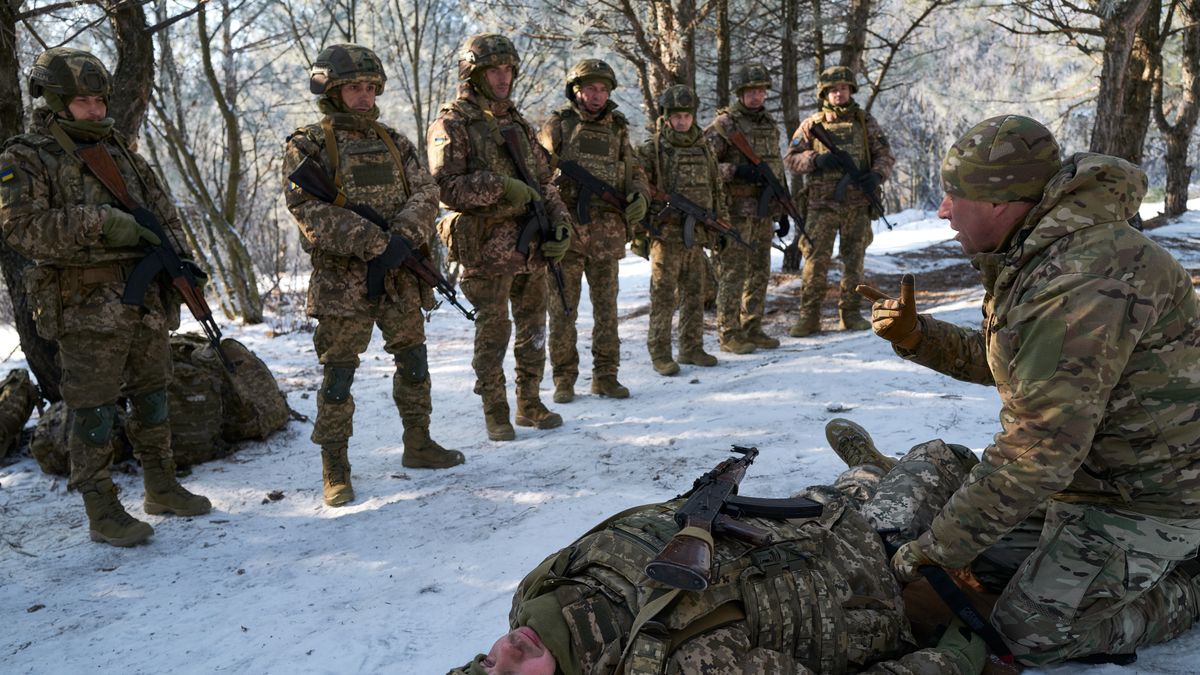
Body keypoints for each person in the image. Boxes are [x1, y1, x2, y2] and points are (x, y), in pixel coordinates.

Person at [858, 114, 1200, 666]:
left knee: (1027, 632)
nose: (943, 212)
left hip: (1151, 500)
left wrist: (937, 553)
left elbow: (1040, 450)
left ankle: (1187, 582)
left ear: (1000, 203)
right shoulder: (1041, 252)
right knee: (965, 550)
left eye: (953, 196)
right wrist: (920, 337)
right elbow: (1022, 367)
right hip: (1087, 482)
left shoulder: (1084, 280)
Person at [449, 420, 993, 675]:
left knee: (835, 492)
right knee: (943, 455)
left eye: (485, 664)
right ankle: (889, 473)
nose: (505, 653)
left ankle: (869, 468)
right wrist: (950, 661)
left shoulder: (542, 591)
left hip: (790, 521)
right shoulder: (689, 666)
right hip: (870, 567)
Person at [0, 47, 211, 546]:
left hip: (141, 299)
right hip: (83, 304)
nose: (96, 110)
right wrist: (104, 223)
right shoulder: (25, 157)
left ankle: (161, 484)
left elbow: (163, 217)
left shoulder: (120, 151)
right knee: (93, 406)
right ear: (54, 101)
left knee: (152, 392)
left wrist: (185, 268)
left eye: (99, 100)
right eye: (83, 102)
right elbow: (22, 231)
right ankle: (100, 507)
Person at [283, 44, 462, 507]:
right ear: (331, 90)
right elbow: (307, 209)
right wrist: (377, 242)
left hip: (401, 274)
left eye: (369, 88)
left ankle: (418, 442)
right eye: (352, 88)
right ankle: (335, 466)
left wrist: (402, 234)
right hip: (344, 282)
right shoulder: (309, 144)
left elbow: (426, 190)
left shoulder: (393, 141)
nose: (363, 97)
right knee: (339, 375)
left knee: (414, 361)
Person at [428, 34, 573, 441]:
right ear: (474, 74)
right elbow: (444, 187)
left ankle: (529, 401)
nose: (503, 77)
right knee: (493, 333)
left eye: (508, 69)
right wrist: (499, 187)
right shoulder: (452, 123)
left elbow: (545, 182)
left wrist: (561, 223)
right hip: (487, 249)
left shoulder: (517, 122)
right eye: (494, 69)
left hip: (532, 246)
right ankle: (495, 410)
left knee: (534, 328)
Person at [537, 59, 649, 403]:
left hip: (607, 234)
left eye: (603, 89)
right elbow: (537, 171)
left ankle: (606, 376)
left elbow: (634, 169)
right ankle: (564, 379)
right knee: (563, 311)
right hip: (567, 234)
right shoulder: (559, 125)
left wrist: (639, 195)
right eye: (591, 88)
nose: (597, 95)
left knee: (606, 310)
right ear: (577, 90)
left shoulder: (618, 128)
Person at [784, 66, 894, 337]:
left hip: (856, 204)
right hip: (821, 205)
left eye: (844, 88)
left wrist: (876, 175)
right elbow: (791, 159)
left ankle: (851, 313)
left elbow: (885, 154)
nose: (839, 93)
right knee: (815, 260)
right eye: (833, 89)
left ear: (850, 90)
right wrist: (815, 160)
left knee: (854, 259)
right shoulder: (812, 125)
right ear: (825, 93)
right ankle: (809, 317)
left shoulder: (864, 121)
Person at [636, 85, 728, 376]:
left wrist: (721, 224)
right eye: (676, 116)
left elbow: (716, 188)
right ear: (666, 117)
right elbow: (639, 189)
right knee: (663, 295)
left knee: (694, 292)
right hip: (665, 234)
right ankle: (660, 351)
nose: (682, 121)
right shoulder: (652, 149)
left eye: (686, 116)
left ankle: (691, 347)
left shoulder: (704, 147)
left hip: (697, 234)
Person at [704, 63, 786, 354]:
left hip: (763, 211)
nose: (756, 95)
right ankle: (728, 331)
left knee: (760, 270)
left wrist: (783, 207)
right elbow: (705, 165)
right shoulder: (725, 125)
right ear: (740, 93)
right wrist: (737, 172)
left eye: (761, 90)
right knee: (732, 270)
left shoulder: (768, 123)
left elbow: (775, 165)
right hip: (735, 210)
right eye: (750, 90)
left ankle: (752, 325)